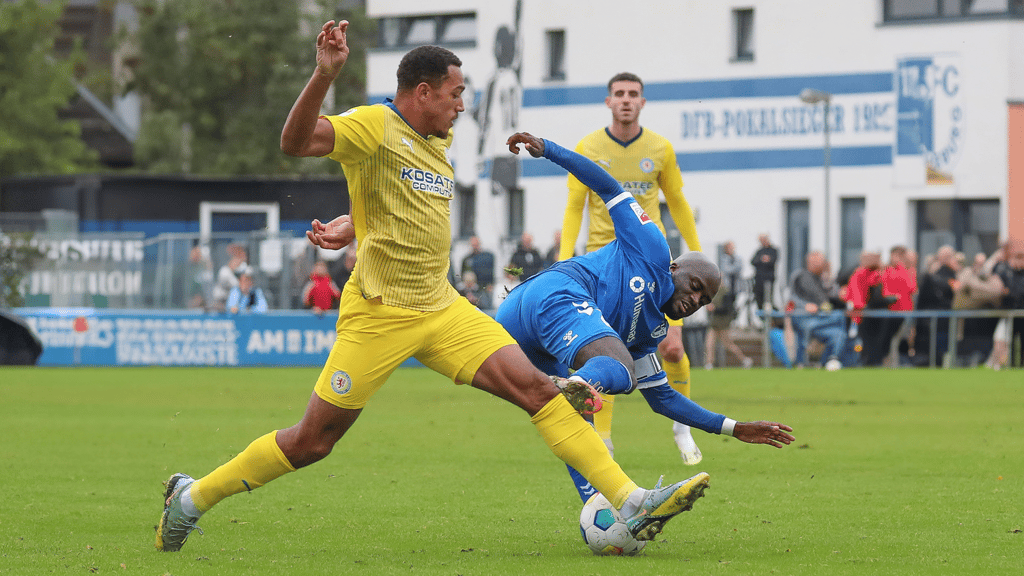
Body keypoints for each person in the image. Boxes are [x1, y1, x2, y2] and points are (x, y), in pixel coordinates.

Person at [155, 22, 709, 553]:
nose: (462, 106)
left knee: (541, 390)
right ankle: (191, 499)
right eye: (456, 94)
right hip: (380, 315)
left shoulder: (436, 141)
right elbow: (296, 142)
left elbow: (398, 196)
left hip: (444, 310)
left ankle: (631, 500)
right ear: (423, 92)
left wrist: (357, 222)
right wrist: (325, 74)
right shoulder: (373, 124)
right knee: (312, 442)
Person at [498, 132, 794, 503]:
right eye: (695, 287)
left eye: (703, 300)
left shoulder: (651, 331)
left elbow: (663, 398)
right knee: (619, 370)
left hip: (524, 324)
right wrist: (549, 149)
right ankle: (578, 383)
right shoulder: (652, 245)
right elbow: (607, 186)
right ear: (674, 268)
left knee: (577, 425)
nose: (695, 300)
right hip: (556, 291)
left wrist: (734, 428)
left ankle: (605, 511)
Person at [557, 72, 704, 465]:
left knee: (672, 347)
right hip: (602, 268)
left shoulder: (660, 148)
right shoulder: (589, 146)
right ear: (608, 101)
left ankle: (682, 428)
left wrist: (695, 251)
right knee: (606, 350)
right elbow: (574, 207)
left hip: (653, 265)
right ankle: (603, 441)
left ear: (642, 102)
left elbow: (677, 201)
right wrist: (564, 255)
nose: (626, 99)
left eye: (633, 94)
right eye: (619, 94)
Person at [788, 251, 846, 368]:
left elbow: (832, 295)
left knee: (839, 333)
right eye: (818, 262)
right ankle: (800, 361)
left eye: (822, 262)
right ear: (810, 262)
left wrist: (828, 275)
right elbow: (791, 297)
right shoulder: (799, 275)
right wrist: (805, 305)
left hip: (819, 318)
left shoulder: (822, 279)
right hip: (803, 316)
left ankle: (828, 361)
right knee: (837, 316)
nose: (821, 264)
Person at [705, 241, 753, 369]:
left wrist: (714, 308)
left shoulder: (726, 293)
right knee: (710, 342)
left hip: (722, 321)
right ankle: (709, 363)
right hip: (715, 321)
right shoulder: (714, 291)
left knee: (728, 343)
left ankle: (744, 360)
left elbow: (726, 308)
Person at [993, 237, 1024, 367]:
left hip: (1022, 312)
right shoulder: (1004, 269)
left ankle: (1021, 364)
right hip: (1010, 311)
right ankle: (1011, 364)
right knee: (1009, 340)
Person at [211, 243, 248, 312]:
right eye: (236, 259)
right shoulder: (224, 271)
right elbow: (237, 285)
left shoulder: (243, 267)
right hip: (221, 301)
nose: (238, 261)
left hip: (237, 301)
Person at [750, 234, 779, 311]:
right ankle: (762, 317)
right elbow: (753, 261)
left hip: (768, 280)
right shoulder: (759, 251)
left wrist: (766, 260)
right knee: (759, 301)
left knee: (768, 301)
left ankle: (774, 316)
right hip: (759, 281)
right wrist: (762, 259)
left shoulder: (773, 250)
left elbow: (772, 261)